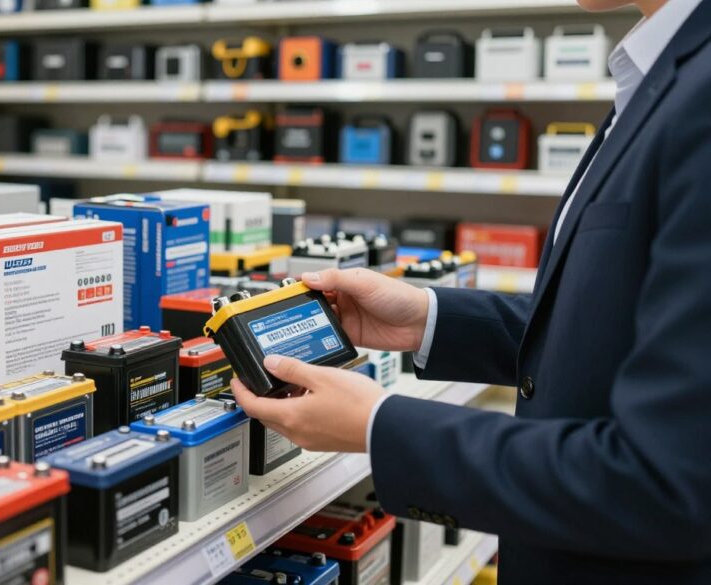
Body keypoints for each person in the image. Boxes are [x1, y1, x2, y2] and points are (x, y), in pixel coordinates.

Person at [230, 0, 711, 582]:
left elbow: (668, 481)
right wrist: (427, 318)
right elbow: (618, 324)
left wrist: (380, 426)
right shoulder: (659, 68)